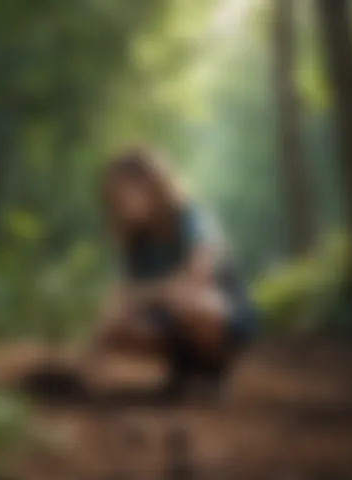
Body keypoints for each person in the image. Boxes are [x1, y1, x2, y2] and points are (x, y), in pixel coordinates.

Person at [91, 147, 257, 398]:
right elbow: (121, 296)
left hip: (219, 314)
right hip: (169, 316)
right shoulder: (135, 240)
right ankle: (182, 368)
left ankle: (214, 368)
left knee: (196, 305)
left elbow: (196, 278)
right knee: (115, 324)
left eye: (127, 191)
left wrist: (145, 294)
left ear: (154, 186)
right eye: (115, 196)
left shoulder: (192, 218)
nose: (121, 202)